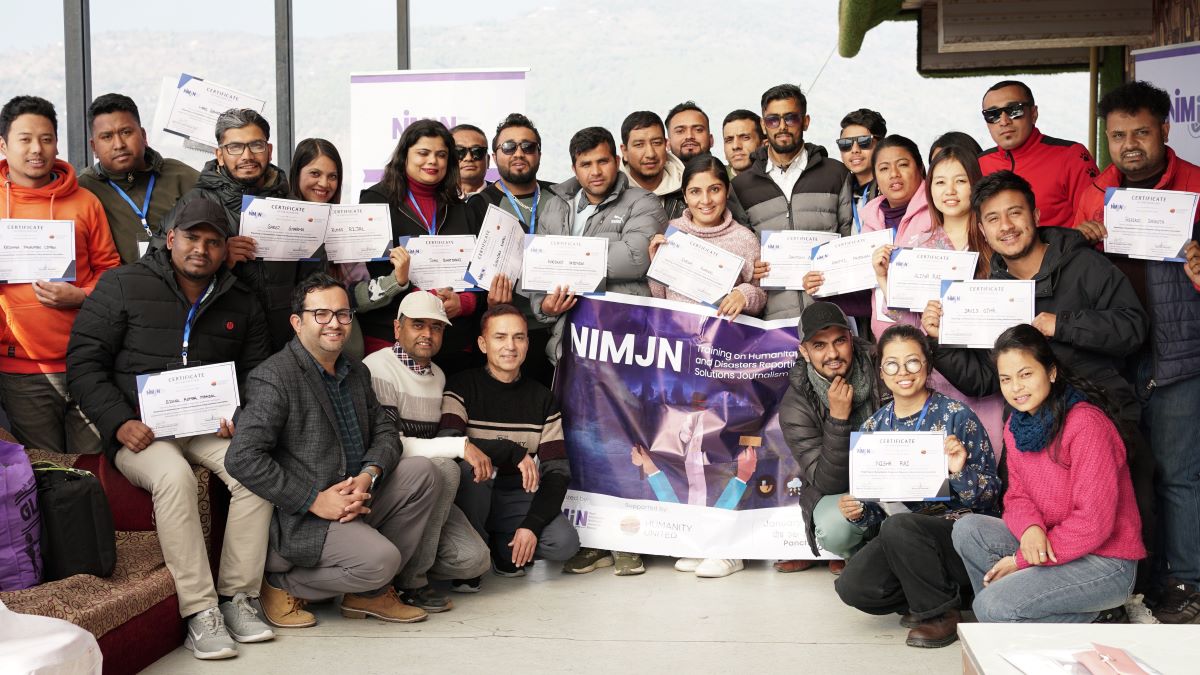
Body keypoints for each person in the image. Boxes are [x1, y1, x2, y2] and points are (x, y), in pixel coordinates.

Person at [66, 198, 274, 660]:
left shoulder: (242, 299)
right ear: (171, 238)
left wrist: (241, 416)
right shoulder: (122, 284)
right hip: (140, 429)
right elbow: (83, 365)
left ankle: (239, 597)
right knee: (174, 476)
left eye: (213, 242)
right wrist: (118, 423)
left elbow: (257, 373)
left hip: (210, 427)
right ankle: (201, 611)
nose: (201, 249)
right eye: (192, 238)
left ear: (225, 249)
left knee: (255, 473)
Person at [225, 274, 440, 627]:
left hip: (356, 493)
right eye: (321, 314)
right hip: (309, 516)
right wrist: (313, 499)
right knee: (382, 561)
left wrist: (369, 475)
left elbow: (386, 432)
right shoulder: (275, 377)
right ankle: (281, 585)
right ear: (297, 322)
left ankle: (367, 594)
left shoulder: (355, 370)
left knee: (424, 472)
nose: (335, 323)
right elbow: (242, 457)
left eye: (342, 314)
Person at [1072, 80, 1200, 623]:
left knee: (1179, 476)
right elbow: (1077, 272)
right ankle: (1134, 582)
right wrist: (1081, 239)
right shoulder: (1095, 192)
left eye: (1141, 133)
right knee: (1123, 474)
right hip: (1115, 362)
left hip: (1180, 357)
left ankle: (1187, 582)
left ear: (1165, 130)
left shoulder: (1196, 186)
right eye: (1118, 135)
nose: (1129, 145)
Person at [952, 325, 1146, 623]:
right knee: (968, 530)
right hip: (1055, 545)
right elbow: (1017, 497)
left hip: (1106, 563)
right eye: (1006, 379)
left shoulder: (1085, 425)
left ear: (1051, 372)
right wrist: (1030, 528)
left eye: (1025, 374)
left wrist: (1020, 560)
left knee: (990, 606)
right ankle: (1006, 619)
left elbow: (1094, 522)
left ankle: (1102, 617)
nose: (1016, 388)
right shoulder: (1015, 427)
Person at [833, 324, 1000, 649]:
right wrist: (858, 510)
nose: (903, 372)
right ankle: (934, 594)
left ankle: (940, 614)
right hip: (904, 538)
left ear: (927, 364)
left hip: (958, 534)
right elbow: (874, 511)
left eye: (912, 362)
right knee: (853, 587)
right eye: (892, 364)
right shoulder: (873, 428)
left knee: (899, 526)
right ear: (881, 371)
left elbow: (991, 497)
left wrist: (960, 471)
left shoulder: (956, 417)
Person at [0, 95, 119, 455]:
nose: (37, 149)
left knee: (92, 469)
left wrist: (81, 296)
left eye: (46, 139)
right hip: (21, 367)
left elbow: (110, 271)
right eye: (25, 139)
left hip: (86, 361)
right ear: (3, 146)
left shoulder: (85, 202)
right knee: (46, 470)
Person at [362, 291, 491, 611]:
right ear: (397, 328)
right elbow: (389, 444)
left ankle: (399, 563)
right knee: (444, 467)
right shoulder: (377, 368)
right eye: (418, 325)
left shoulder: (438, 376)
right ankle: (411, 582)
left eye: (436, 327)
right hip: (384, 486)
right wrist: (459, 445)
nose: (427, 334)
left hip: (425, 491)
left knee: (474, 560)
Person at [867, 145, 1003, 446]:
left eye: (960, 181)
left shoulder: (996, 245)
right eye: (940, 182)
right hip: (937, 374)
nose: (949, 191)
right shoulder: (916, 245)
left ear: (975, 184)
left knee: (985, 454)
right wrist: (884, 280)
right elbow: (905, 324)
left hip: (986, 371)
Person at [439, 304, 581, 585]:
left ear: (528, 343)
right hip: (472, 494)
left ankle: (503, 546)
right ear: (483, 344)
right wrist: (511, 451)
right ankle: (474, 553)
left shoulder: (542, 398)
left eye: (519, 337)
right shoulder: (461, 386)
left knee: (564, 543)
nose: (510, 346)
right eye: (500, 337)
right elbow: (449, 443)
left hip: (515, 494)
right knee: (474, 468)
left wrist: (531, 526)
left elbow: (557, 471)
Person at [530, 126, 666, 366]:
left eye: (603, 161)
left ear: (617, 161)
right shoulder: (555, 206)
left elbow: (635, 257)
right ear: (574, 169)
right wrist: (545, 306)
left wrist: (563, 261)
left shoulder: (643, 201)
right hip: (568, 346)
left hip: (622, 343)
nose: (595, 172)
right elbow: (538, 271)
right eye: (586, 164)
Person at [161, 108, 295, 350]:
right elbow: (158, 268)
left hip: (285, 340)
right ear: (220, 155)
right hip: (217, 337)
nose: (247, 155)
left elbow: (312, 276)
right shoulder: (195, 203)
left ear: (269, 150)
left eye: (256, 145)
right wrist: (219, 258)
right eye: (235, 147)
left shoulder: (292, 205)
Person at [359, 119, 483, 375]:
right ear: (405, 155)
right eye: (423, 153)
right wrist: (422, 296)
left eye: (441, 155)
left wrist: (464, 303)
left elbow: (480, 275)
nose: (433, 161)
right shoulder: (376, 200)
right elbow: (373, 275)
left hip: (452, 339)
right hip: (392, 337)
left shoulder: (460, 208)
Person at [776, 302, 886, 574]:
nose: (833, 353)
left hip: (893, 474)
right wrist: (838, 419)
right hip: (841, 489)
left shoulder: (882, 367)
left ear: (852, 338)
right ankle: (860, 557)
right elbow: (827, 482)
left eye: (839, 341)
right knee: (835, 529)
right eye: (819, 345)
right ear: (804, 351)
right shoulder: (796, 404)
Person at [733, 84, 852, 321]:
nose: (782, 127)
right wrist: (751, 268)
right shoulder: (741, 186)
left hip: (829, 316)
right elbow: (740, 253)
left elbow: (848, 241)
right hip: (772, 321)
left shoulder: (836, 173)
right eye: (773, 120)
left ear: (805, 121)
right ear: (763, 125)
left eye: (791, 118)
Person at [466, 113, 564, 386]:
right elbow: (471, 280)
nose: (519, 153)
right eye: (508, 147)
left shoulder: (561, 196)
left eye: (528, 146)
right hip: (509, 334)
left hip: (560, 329)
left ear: (539, 154)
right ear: (494, 156)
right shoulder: (477, 206)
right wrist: (491, 304)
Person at [78, 93, 199, 264]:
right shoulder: (83, 190)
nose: (119, 144)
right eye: (107, 137)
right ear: (93, 147)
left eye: (126, 132)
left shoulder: (182, 177)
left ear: (143, 135)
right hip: (116, 281)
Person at [648, 155, 765, 320]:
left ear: (727, 191)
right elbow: (659, 299)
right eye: (695, 191)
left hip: (723, 334)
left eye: (714, 189)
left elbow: (761, 297)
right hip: (676, 331)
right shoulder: (671, 232)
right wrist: (656, 264)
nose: (706, 200)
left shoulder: (745, 239)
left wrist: (745, 294)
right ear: (685, 196)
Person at [977, 80, 1098, 229]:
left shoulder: (1071, 155)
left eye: (1014, 110)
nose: (1004, 121)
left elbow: (1094, 224)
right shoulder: (980, 162)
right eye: (992, 114)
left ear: (1034, 113)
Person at [837, 109, 886, 234]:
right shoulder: (838, 191)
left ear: (881, 145)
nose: (855, 150)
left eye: (864, 141)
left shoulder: (892, 189)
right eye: (845, 143)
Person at [450, 124, 490, 198]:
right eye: (459, 152)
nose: (468, 158)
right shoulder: (435, 198)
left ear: (488, 160)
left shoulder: (506, 197)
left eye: (477, 151)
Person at [721, 109, 764, 177]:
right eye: (729, 140)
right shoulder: (714, 179)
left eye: (745, 138)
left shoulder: (778, 178)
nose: (735, 146)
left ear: (763, 144)